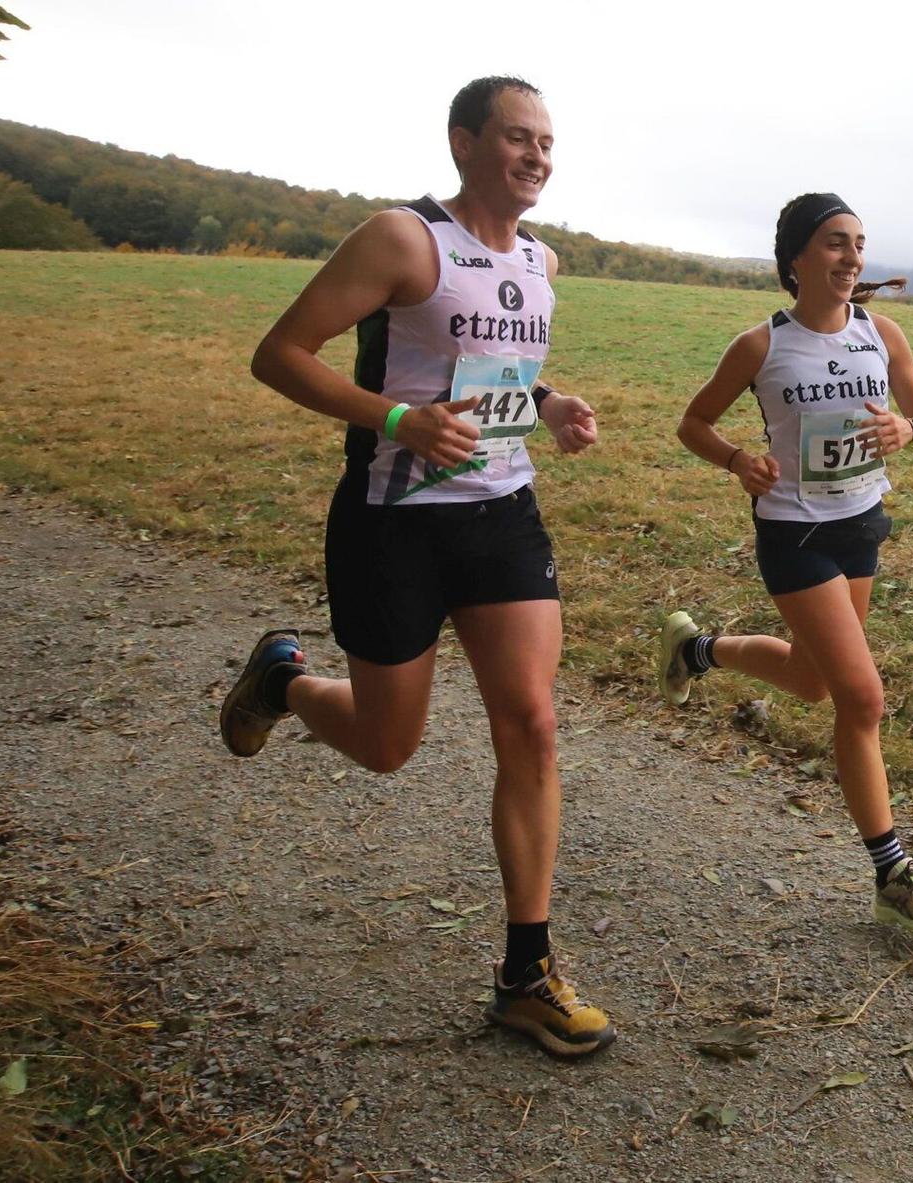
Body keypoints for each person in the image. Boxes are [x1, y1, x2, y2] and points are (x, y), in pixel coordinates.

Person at [217, 76, 613, 1057]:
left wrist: (549, 403)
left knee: (532, 723)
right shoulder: (402, 238)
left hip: (502, 515)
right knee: (388, 743)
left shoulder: (541, 258)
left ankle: (526, 973)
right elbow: (281, 353)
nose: (536, 156)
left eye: (546, 142)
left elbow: (494, 376)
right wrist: (397, 419)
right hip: (393, 522)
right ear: (463, 142)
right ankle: (284, 680)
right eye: (516, 138)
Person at [662, 192, 913, 931]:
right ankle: (893, 873)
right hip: (794, 531)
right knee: (862, 698)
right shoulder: (760, 346)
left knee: (810, 680)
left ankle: (696, 649)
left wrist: (908, 428)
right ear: (795, 258)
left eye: (858, 243)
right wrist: (737, 459)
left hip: (861, 523)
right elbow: (693, 423)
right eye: (834, 242)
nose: (852, 256)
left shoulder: (881, 333)